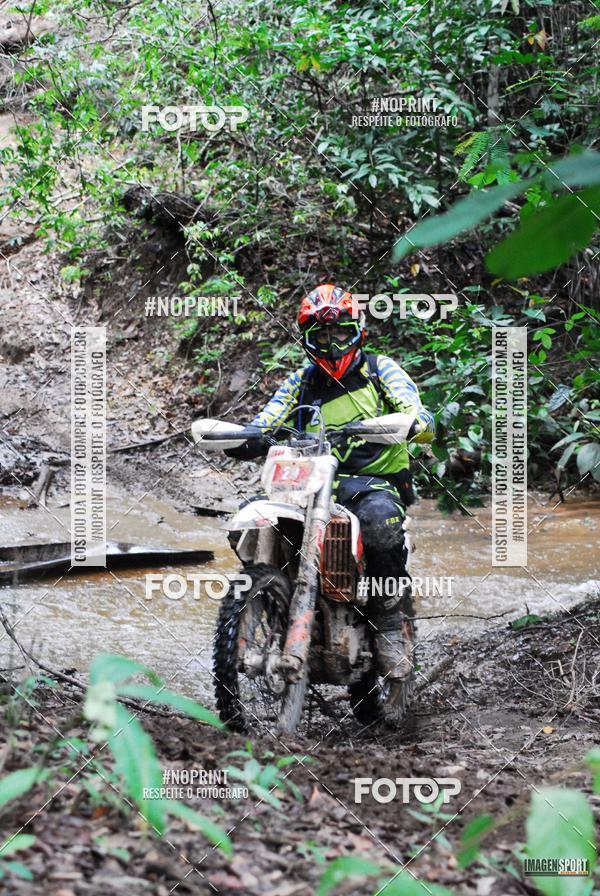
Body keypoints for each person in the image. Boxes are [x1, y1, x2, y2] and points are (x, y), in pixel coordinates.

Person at [229, 283, 435, 679]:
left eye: (340, 332)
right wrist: (245, 437)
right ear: (308, 339)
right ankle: (274, 597)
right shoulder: (300, 382)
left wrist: (413, 425)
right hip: (307, 482)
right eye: (321, 335)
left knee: (380, 524)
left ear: (357, 330)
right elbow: (266, 421)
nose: (333, 342)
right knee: (251, 515)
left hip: (373, 481)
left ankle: (389, 623)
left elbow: (417, 412)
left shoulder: (379, 370)